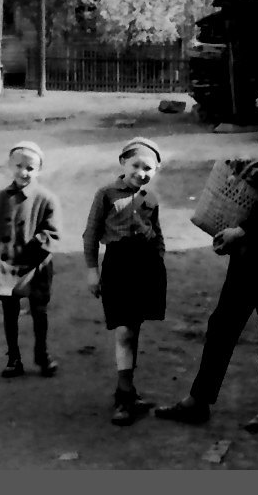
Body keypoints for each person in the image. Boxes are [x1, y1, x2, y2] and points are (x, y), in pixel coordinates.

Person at [156, 104, 258, 433]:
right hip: (246, 262)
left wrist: (241, 232)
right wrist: (230, 233)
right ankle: (199, 401)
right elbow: (242, 206)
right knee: (221, 329)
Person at [82, 136, 167, 426]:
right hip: (118, 265)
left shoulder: (151, 198)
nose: (141, 173)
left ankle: (129, 392)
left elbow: (158, 235)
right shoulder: (106, 194)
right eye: (136, 165)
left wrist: (159, 264)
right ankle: (123, 394)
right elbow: (91, 234)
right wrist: (92, 270)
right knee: (123, 331)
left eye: (149, 168)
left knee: (134, 328)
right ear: (123, 163)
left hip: (145, 266)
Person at [0, 140, 61, 378]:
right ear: (9, 165)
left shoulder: (46, 199)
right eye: (19, 166)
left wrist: (34, 248)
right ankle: (13, 358)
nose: (24, 172)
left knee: (39, 310)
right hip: (7, 264)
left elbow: (53, 233)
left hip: (36, 265)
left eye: (30, 168)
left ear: (39, 170)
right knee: (10, 310)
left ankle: (42, 355)